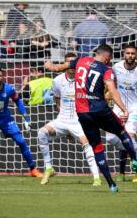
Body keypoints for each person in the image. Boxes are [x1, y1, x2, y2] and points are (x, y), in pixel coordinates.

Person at [44, 44, 137, 193]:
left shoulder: (80, 61)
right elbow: (112, 90)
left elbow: (58, 68)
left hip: (82, 113)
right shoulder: (106, 70)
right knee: (122, 132)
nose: (109, 61)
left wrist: (49, 65)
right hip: (100, 110)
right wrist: (124, 109)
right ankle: (135, 161)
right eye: (109, 59)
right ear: (106, 57)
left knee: (97, 147)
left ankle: (111, 184)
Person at [38, 53, 101, 186]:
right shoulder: (57, 81)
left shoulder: (84, 80)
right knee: (41, 132)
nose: (71, 65)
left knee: (87, 143)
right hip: (62, 120)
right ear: (65, 64)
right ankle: (48, 167)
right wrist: (65, 127)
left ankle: (96, 177)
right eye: (68, 62)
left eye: (73, 62)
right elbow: (57, 100)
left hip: (78, 121)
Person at [105, 43, 137, 183]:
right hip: (119, 108)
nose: (130, 56)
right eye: (128, 53)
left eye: (133, 54)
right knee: (111, 139)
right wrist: (108, 94)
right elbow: (109, 83)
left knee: (128, 136)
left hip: (135, 110)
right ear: (124, 54)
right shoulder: (116, 67)